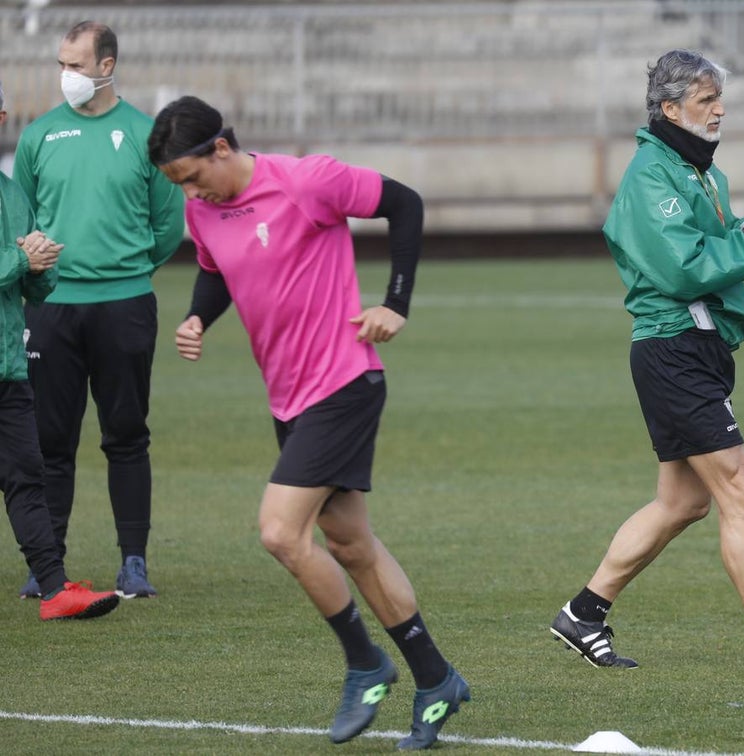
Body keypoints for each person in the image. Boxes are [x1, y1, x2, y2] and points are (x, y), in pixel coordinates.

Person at [147, 95, 468, 749]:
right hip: (288, 400)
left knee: (279, 533)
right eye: (178, 185)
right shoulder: (202, 210)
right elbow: (216, 272)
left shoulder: (305, 181)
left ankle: (365, 663)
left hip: (344, 383)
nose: (190, 192)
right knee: (351, 546)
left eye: (191, 175)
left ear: (222, 148)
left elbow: (404, 203)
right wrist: (196, 318)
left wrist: (394, 303)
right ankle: (437, 680)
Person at [550, 50, 744, 675]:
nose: (720, 110)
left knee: (682, 503)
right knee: (740, 488)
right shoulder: (649, 177)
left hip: (700, 347)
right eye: (707, 100)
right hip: (673, 347)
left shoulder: (700, 172)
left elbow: (714, 251)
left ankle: (583, 613)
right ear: (669, 109)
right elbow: (681, 272)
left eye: (719, 98)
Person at [12, 21, 185, 600]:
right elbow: (24, 224)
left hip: (125, 306)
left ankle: (133, 561)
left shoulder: (143, 134)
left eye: (77, 66)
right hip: (51, 310)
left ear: (107, 67)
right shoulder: (38, 138)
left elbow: (168, 225)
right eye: (61, 64)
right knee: (50, 440)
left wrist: (125, 268)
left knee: (127, 436)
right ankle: (48, 564)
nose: (67, 77)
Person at [1, 81, 120, 621]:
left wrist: (44, 266)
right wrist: (22, 259)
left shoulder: (11, 194)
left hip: (8, 364)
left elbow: (32, 285)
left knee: (28, 473)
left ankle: (53, 589)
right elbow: (14, 263)